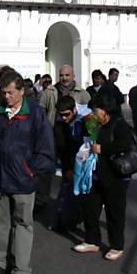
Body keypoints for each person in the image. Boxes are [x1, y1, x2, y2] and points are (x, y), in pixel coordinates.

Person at [0, 71, 55, 274]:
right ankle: (1, 262)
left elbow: (45, 147)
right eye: (4, 92)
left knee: (23, 224)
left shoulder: (35, 114)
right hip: (0, 179)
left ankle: (21, 271)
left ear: (22, 91)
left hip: (23, 180)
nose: (7, 96)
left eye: (11, 92)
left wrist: (31, 171)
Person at [72, 95, 133, 261]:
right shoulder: (94, 124)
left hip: (115, 176)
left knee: (115, 213)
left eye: (95, 109)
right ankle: (92, 240)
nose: (93, 112)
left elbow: (126, 145)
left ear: (105, 110)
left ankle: (116, 246)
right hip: (94, 174)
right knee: (90, 208)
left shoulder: (119, 124)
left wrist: (103, 148)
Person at [37, 64, 89, 207]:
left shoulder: (82, 94)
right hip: (52, 134)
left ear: (73, 76)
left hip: (73, 138)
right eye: (61, 75)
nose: (64, 78)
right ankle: (42, 199)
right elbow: (41, 111)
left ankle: (70, 201)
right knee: (46, 168)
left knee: (71, 169)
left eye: (67, 75)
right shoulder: (50, 91)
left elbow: (89, 115)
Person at [51, 95, 87, 232]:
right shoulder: (60, 123)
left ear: (74, 109)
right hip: (71, 159)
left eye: (67, 115)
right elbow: (62, 148)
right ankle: (64, 221)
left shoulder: (87, 117)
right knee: (66, 191)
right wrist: (67, 169)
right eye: (61, 115)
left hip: (87, 159)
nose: (64, 118)